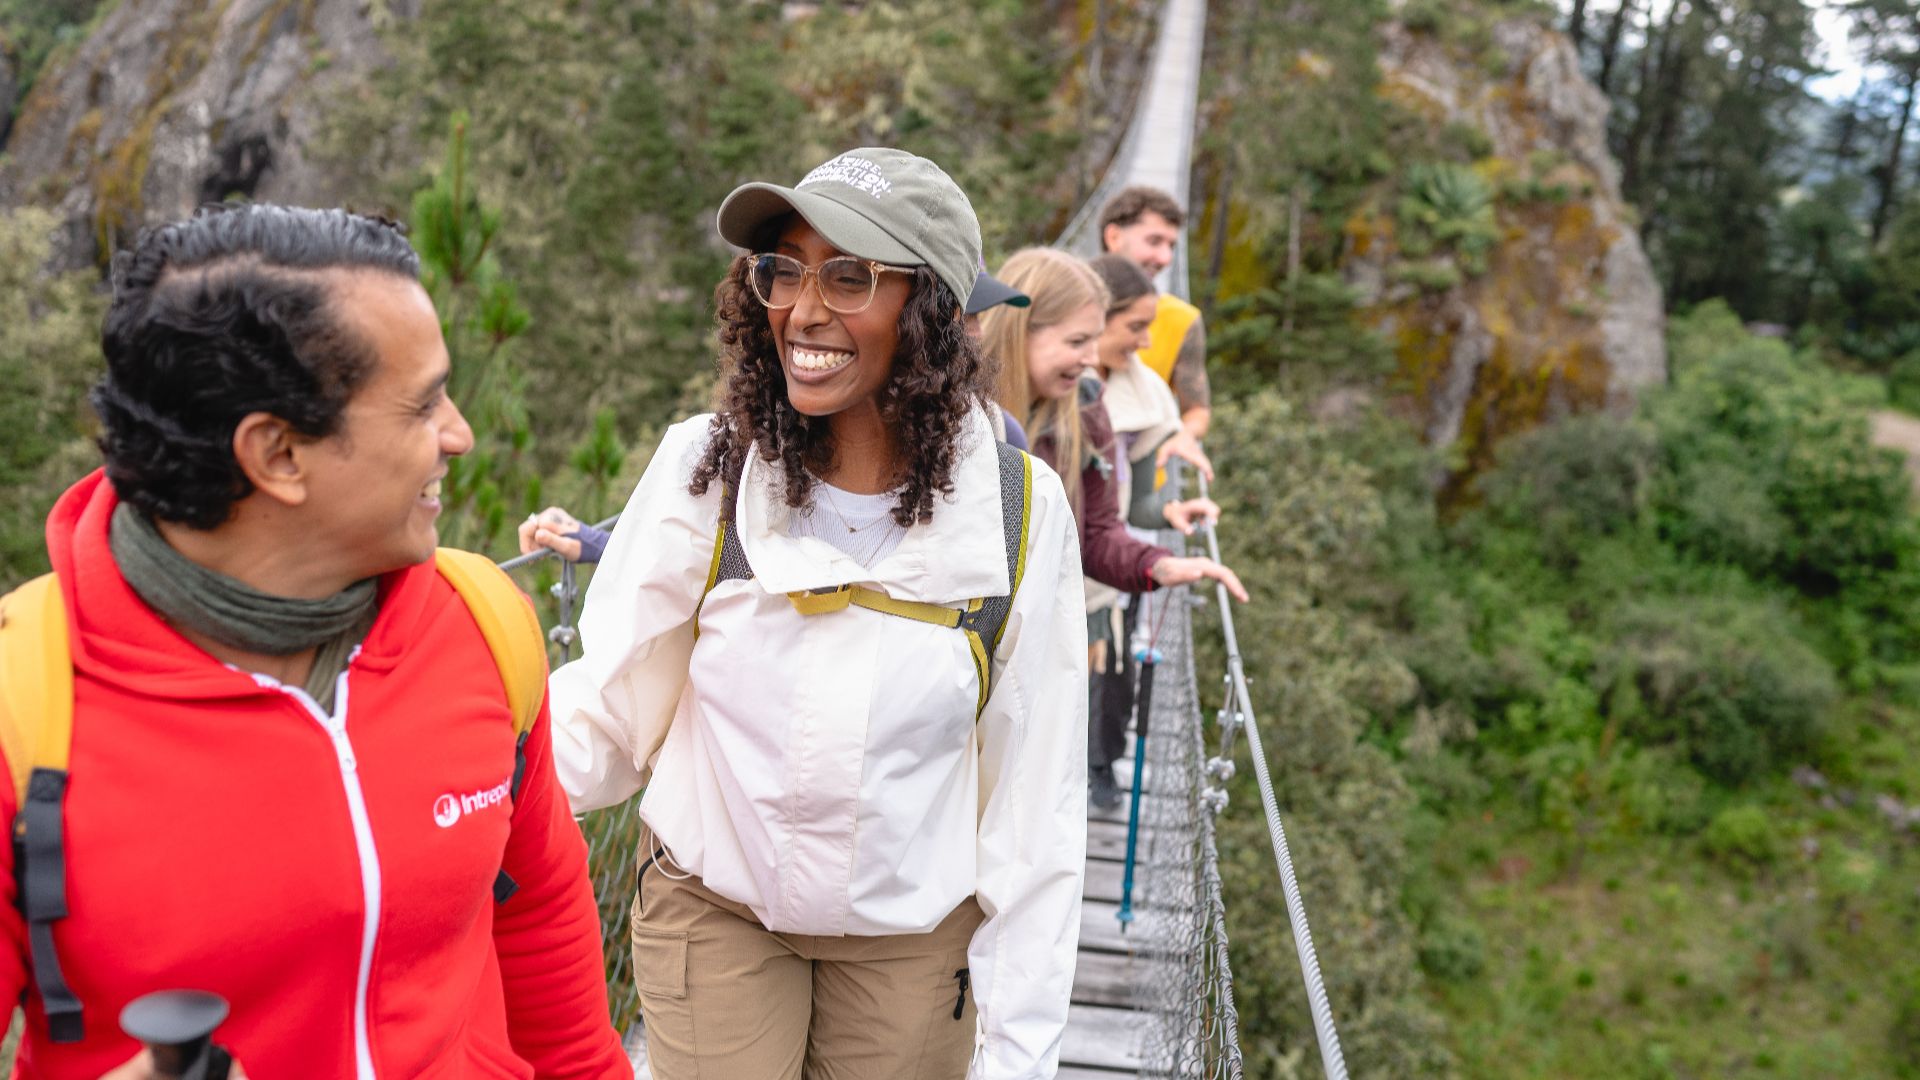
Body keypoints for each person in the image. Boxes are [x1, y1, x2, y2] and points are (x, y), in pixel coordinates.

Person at [0, 204, 629, 1079]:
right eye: (422, 406)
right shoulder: (23, 712)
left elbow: (537, 913)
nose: (460, 435)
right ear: (279, 455)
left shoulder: (483, 624)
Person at [528, 149, 1089, 1080]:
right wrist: (453, 806)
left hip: (911, 938)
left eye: (852, 274)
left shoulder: (1017, 515)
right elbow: (613, 711)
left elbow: (1035, 806)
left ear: (935, 312)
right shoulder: (707, 472)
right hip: (715, 909)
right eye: (783, 268)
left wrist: (1021, 1055)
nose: (804, 307)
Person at [979, 248, 1245, 807]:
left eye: (1095, 341)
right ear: (1021, 328)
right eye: (1077, 343)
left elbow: (1095, 535)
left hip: (1037, 648)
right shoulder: (950, 407)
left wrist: (1160, 565)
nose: (1091, 359)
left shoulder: (1086, 408)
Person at [1080, 253, 1219, 810]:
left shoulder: (1143, 397)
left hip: (1105, 568)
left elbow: (1135, 503)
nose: (1145, 343)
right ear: (1095, 318)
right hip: (1038, 575)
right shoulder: (1051, 381)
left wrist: (1170, 515)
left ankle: (1100, 769)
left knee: (1113, 679)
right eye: (1135, 327)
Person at [1098, 186, 1212, 452]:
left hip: (1142, 472)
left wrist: (1185, 436)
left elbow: (1197, 409)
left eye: (1171, 245)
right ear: (1114, 237)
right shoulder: (1064, 301)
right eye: (1154, 241)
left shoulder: (1181, 320)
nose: (1166, 258)